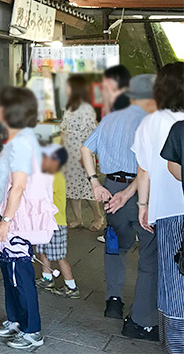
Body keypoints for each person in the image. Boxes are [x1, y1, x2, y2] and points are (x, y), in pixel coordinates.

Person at [80, 74, 157, 338]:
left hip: (110, 187)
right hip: (139, 191)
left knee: (115, 244)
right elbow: (145, 167)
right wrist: (129, 193)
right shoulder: (150, 121)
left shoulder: (111, 117)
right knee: (149, 252)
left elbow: (85, 149)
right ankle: (142, 313)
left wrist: (95, 184)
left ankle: (113, 301)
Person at [133, 62, 184, 350]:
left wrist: (143, 205)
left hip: (167, 210)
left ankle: (177, 343)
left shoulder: (151, 122)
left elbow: (144, 170)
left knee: (173, 279)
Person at [0, 86, 45, 350]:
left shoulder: (22, 142)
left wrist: (6, 221)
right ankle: (15, 319)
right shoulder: (18, 139)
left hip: (18, 220)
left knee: (19, 274)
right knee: (10, 270)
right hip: (12, 215)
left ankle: (32, 329)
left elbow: (19, 186)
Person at [34, 146, 79, 299]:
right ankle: (47, 278)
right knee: (41, 250)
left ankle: (71, 285)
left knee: (59, 256)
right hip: (45, 221)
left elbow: (42, 194)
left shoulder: (55, 177)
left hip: (56, 222)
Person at [60, 75, 104, 231]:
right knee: (71, 186)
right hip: (69, 151)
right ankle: (78, 218)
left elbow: (92, 133)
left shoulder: (86, 108)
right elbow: (63, 128)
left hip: (82, 150)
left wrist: (86, 155)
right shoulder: (68, 106)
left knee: (88, 186)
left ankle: (98, 217)